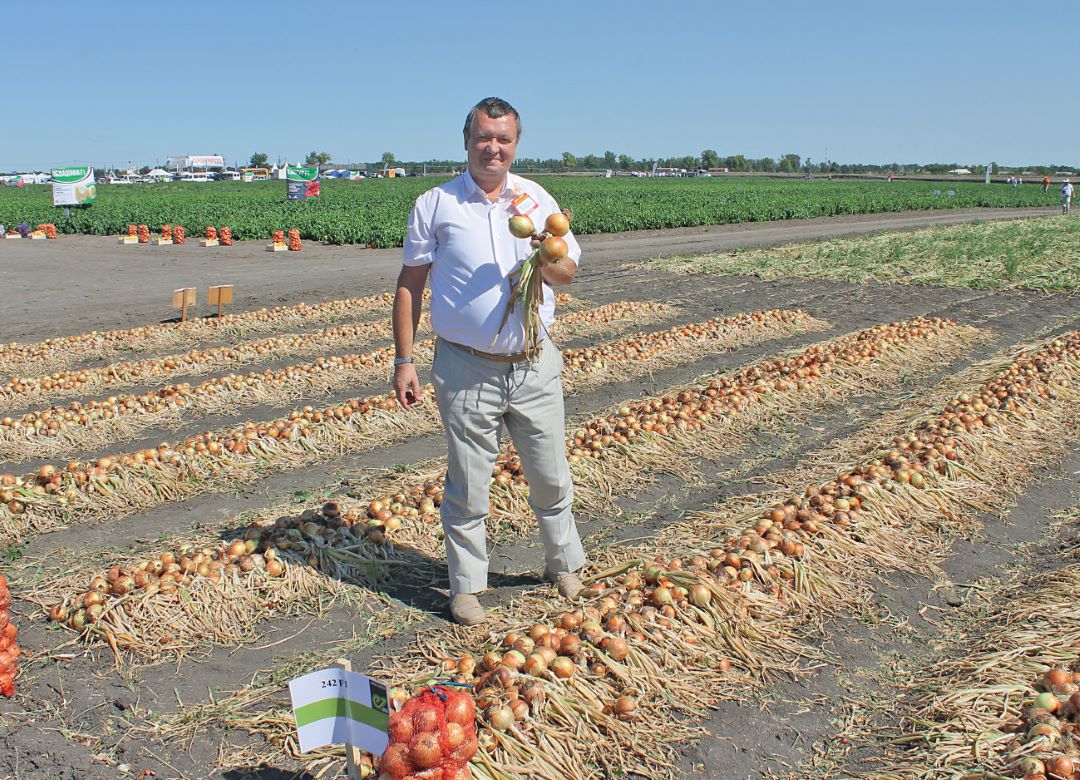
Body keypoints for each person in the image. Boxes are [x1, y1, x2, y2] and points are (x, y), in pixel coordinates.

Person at [391, 97, 587, 626]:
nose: (492, 148)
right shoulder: (436, 204)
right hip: (465, 366)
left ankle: (563, 564)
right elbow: (411, 285)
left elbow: (568, 273)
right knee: (469, 482)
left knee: (549, 475)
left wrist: (550, 254)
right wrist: (404, 359)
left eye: (503, 139)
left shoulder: (536, 199)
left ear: (515, 144)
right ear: (466, 140)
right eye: (483, 137)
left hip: (533, 364)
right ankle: (466, 587)